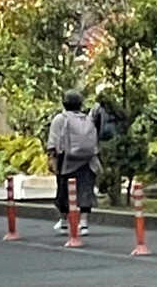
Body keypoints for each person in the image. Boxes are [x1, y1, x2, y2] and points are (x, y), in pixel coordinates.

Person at [47, 89, 99, 234]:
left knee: (64, 190)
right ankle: (84, 223)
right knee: (85, 190)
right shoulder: (88, 119)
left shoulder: (60, 119)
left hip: (67, 159)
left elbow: (53, 142)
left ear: (64, 103)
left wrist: (52, 158)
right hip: (87, 160)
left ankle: (64, 222)